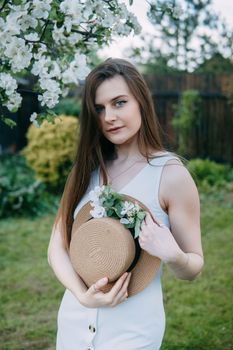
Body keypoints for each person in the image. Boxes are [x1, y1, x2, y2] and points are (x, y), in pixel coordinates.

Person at [48, 58, 204, 350]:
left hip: (133, 330)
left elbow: (194, 266)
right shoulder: (86, 170)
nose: (108, 116)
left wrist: (175, 256)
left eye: (119, 103)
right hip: (73, 321)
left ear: (141, 102)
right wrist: (83, 296)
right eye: (99, 108)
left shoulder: (170, 175)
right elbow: (56, 247)